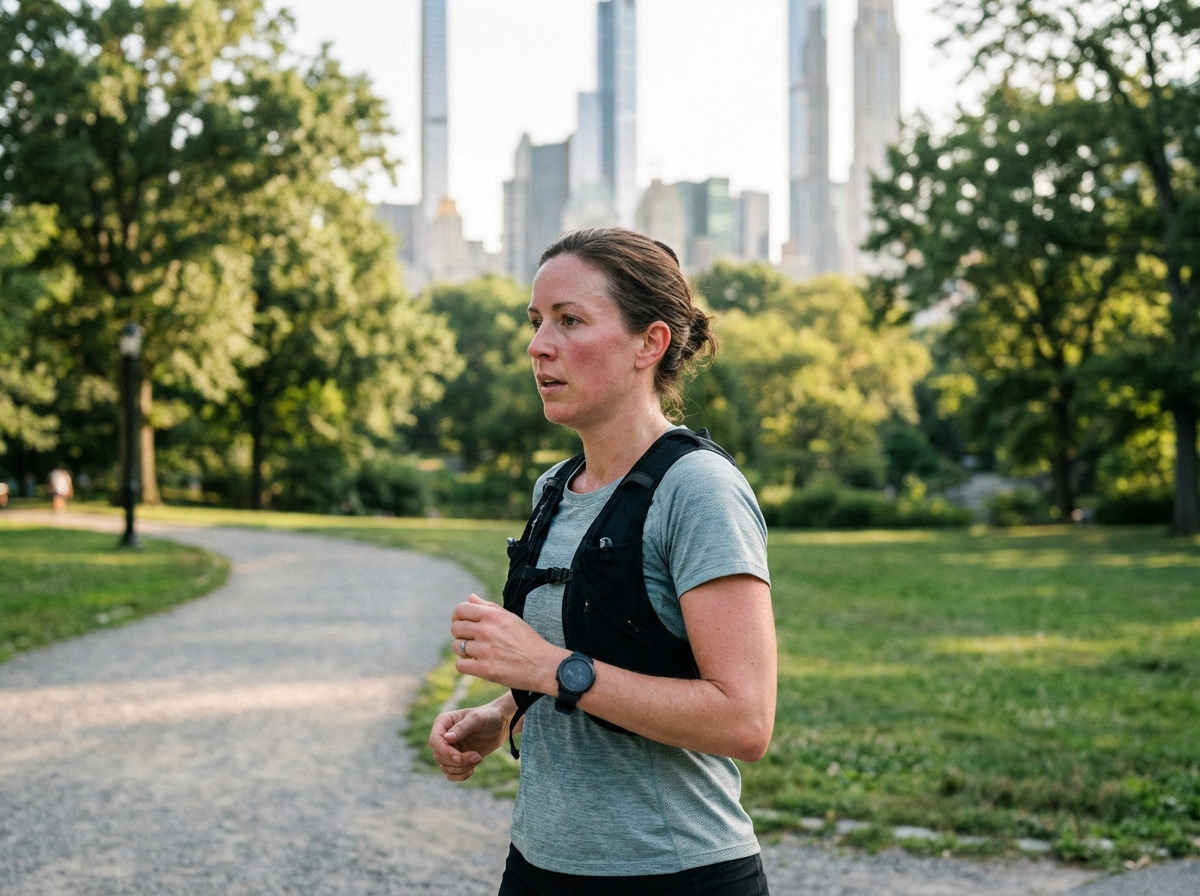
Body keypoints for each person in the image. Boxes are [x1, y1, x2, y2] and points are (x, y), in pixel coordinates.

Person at [429, 228, 777, 895]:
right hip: (537, 865)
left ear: (650, 344)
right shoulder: (555, 489)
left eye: (570, 321)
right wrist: (502, 712)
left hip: (674, 873)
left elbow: (745, 719)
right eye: (536, 323)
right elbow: (596, 660)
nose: (538, 346)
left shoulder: (697, 490)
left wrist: (543, 666)